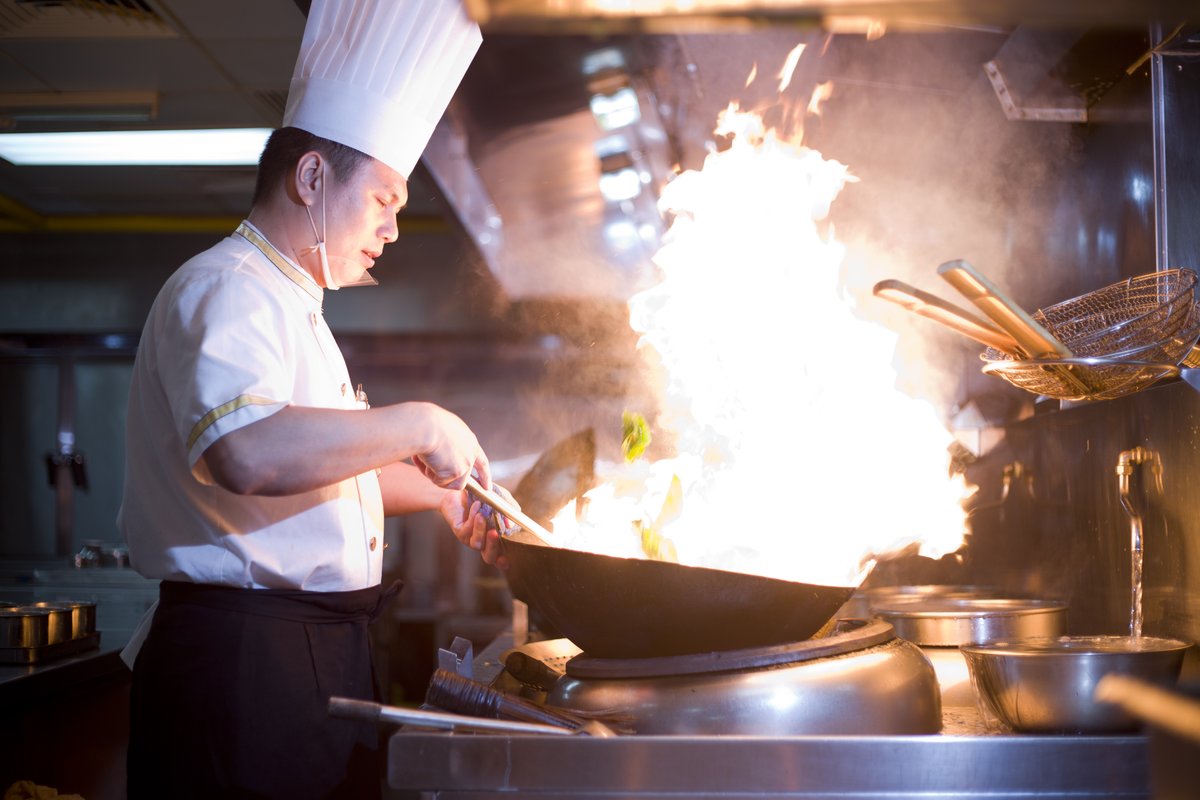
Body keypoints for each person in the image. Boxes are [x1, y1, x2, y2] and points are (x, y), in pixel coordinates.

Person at [118, 0, 500, 796]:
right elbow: (248, 453)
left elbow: (325, 476)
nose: (392, 229)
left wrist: (442, 496)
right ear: (312, 175)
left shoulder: (294, 308)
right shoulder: (227, 287)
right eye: (385, 200)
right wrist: (420, 421)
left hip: (310, 653)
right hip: (244, 665)